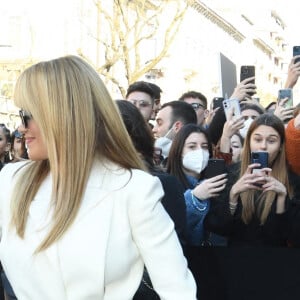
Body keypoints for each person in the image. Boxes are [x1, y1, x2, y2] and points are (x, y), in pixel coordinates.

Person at [0, 55, 196, 299]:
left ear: (62, 115)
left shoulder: (134, 189)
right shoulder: (10, 181)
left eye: (27, 115)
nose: (20, 127)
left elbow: (177, 290)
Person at [204, 113, 291, 247]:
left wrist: (281, 198)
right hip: (237, 258)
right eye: (257, 139)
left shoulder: (291, 179)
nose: (263, 146)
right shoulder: (232, 173)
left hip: (276, 259)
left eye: (271, 141)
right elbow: (217, 227)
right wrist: (233, 195)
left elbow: (288, 235)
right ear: (249, 142)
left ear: (280, 146)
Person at [167, 124, 227, 246]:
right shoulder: (167, 184)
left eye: (204, 147)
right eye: (192, 146)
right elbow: (174, 229)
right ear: (178, 151)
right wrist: (195, 198)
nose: (200, 151)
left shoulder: (214, 183)